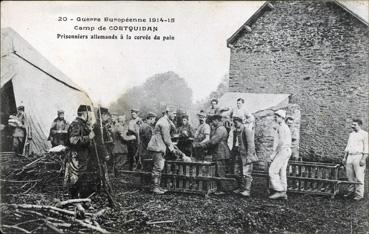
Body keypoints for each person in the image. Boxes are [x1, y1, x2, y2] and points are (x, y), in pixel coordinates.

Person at [194, 112, 232, 194]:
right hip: (219, 152)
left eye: (213, 121)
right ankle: (221, 188)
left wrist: (202, 145)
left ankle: (223, 190)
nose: (212, 123)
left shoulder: (220, 129)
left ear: (217, 121)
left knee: (220, 171)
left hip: (221, 152)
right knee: (219, 170)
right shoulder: (219, 128)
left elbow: (213, 141)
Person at [65, 105, 96, 199]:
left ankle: (81, 200)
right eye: (89, 114)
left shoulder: (83, 124)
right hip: (77, 157)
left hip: (83, 156)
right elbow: (73, 140)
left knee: (83, 179)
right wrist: (88, 137)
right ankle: (74, 201)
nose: (90, 116)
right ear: (85, 113)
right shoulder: (76, 124)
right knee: (76, 179)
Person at [147, 107, 176, 194]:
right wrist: (173, 149)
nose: (175, 115)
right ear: (168, 112)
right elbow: (167, 139)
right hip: (157, 147)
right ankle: (155, 188)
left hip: (158, 146)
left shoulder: (165, 121)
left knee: (160, 166)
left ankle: (157, 187)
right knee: (158, 167)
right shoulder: (164, 123)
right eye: (173, 113)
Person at [232, 116, 258, 197]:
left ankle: (247, 190)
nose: (235, 124)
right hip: (238, 154)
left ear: (240, 122)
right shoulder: (236, 131)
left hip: (246, 155)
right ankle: (240, 187)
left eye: (236, 122)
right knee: (237, 172)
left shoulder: (247, 131)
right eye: (234, 122)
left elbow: (251, 145)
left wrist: (249, 157)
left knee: (247, 173)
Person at [342, 118, 368, 201]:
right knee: (349, 176)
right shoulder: (351, 134)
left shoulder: (365, 134)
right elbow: (348, 146)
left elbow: (366, 148)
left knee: (359, 176)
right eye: (352, 124)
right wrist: (344, 157)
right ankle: (350, 191)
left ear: (359, 125)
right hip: (350, 156)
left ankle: (359, 194)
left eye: (354, 125)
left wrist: (363, 159)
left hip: (359, 156)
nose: (352, 126)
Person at [268, 110, 292, 200]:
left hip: (282, 151)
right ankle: (284, 191)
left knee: (272, 171)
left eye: (277, 116)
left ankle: (279, 191)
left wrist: (274, 154)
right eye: (275, 116)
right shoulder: (283, 127)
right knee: (282, 171)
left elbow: (281, 142)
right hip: (287, 151)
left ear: (282, 118)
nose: (275, 118)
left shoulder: (282, 127)